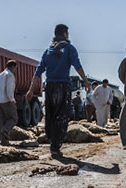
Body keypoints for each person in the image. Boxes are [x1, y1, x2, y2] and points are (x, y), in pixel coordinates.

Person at [26, 24, 90, 159]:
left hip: (49, 87)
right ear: (65, 34)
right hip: (62, 86)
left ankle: (51, 139)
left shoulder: (48, 51)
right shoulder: (69, 49)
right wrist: (85, 81)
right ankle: (55, 147)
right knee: (62, 116)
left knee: (51, 115)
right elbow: (77, 65)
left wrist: (31, 90)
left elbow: (38, 72)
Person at [0, 60, 18, 146]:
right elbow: (9, 89)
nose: (15, 69)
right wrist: (11, 100)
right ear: (12, 66)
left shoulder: (0, 75)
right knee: (13, 118)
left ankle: (3, 141)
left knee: (1, 120)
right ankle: (6, 130)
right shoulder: (10, 75)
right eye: (15, 67)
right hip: (6, 100)